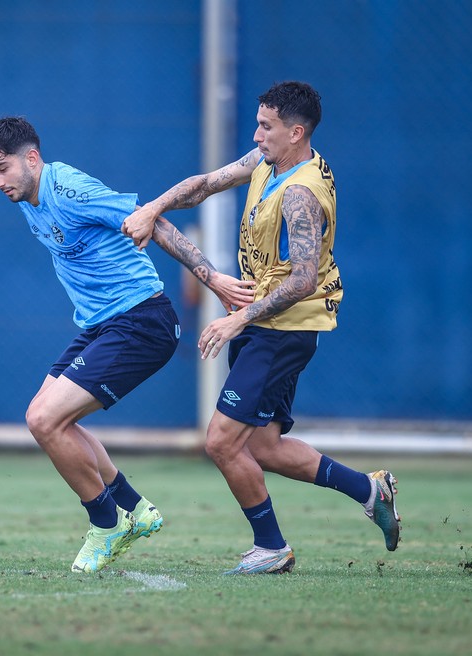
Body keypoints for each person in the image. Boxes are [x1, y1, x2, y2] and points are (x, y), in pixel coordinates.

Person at [122, 81, 401, 574]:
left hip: (282, 329)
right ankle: (368, 490)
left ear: (296, 133)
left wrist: (239, 318)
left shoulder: (300, 195)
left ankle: (271, 547)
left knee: (220, 442)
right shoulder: (269, 162)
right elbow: (206, 184)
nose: (256, 135)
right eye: (257, 124)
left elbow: (304, 279)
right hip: (264, 322)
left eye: (266, 127)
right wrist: (153, 207)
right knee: (262, 447)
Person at [0, 116, 255, 573]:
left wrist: (213, 278)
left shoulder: (70, 190)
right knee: (48, 419)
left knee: (45, 419)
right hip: (102, 325)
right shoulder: (27, 197)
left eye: (2, 168)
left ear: (32, 158)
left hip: (141, 321)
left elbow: (151, 222)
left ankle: (106, 523)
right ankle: (135, 509)